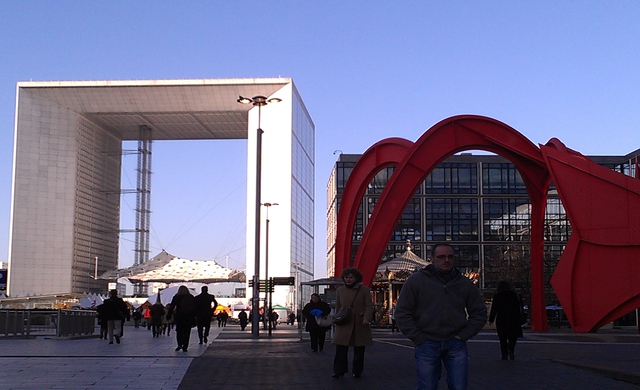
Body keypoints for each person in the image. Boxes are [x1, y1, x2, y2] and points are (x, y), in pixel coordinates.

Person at [395, 244, 487, 390]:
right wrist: (418, 338)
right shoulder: (416, 281)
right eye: (441, 257)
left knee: (459, 386)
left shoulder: (464, 283)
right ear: (432, 259)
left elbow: (479, 312)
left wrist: (464, 335)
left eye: (450, 257)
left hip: (455, 342)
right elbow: (402, 312)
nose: (446, 260)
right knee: (427, 386)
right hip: (427, 342)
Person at [331, 267, 374, 379]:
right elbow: (338, 307)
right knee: (340, 349)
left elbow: (369, 306)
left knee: (359, 350)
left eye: (351, 277)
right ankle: (339, 371)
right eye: (346, 277)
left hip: (359, 323)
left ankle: (357, 371)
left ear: (356, 278)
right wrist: (337, 318)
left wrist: (366, 318)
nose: (348, 280)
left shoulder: (364, 289)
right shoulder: (340, 290)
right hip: (344, 321)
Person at [488, 281, 524, 360]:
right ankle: (511, 348)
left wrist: (491, 319)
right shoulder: (516, 295)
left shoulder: (497, 296)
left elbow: (494, 309)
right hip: (514, 318)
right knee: (513, 336)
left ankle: (504, 354)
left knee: (502, 338)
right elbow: (520, 307)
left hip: (502, 319)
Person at [167, 286, 197, 352]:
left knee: (179, 331)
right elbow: (195, 307)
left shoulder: (176, 297)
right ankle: (185, 346)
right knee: (187, 332)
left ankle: (179, 344)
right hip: (188, 317)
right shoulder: (191, 297)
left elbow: (172, 307)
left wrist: (169, 315)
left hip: (179, 316)